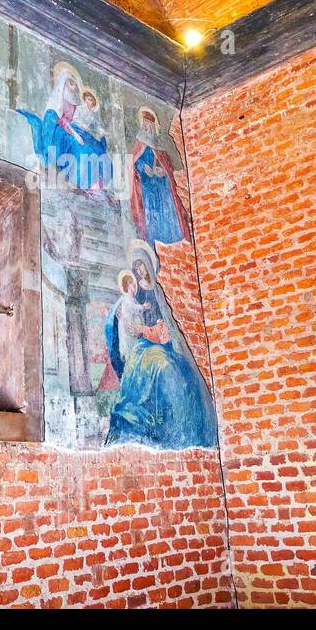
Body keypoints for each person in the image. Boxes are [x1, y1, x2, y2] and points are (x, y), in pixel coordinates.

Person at [105, 243, 217, 449]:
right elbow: (126, 315)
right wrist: (131, 324)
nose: (139, 274)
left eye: (142, 269)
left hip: (161, 340)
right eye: (136, 271)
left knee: (172, 367)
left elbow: (166, 323)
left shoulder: (156, 292)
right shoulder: (134, 294)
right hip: (143, 343)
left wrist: (154, 330)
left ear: (149, 266)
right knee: (152, 365)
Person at [16, 63, 110, 190]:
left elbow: (79, 120)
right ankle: (76, 182)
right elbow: (60, 120)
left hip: (70, 130)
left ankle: (92, 184)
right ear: (64, 82)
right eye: (71, 83)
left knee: (92, 148)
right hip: (59, 131)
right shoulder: (60, 99)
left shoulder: (73, 102)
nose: (74, 86)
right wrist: (75, 134)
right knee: (79, 148)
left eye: (75, 83)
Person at [128, 107, 190, 246]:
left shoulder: (159, 145)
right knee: (150, 209)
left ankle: (170, 236)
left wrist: (163, 171)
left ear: (154, 127)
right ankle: (151, 236)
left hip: (162, 185)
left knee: (166, 206)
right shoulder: (139, 144)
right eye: (145, 125)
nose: (147, 127)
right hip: (146, 184)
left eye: (149, 125)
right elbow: (133, 163)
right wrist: (143, 167)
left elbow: (167, 166)